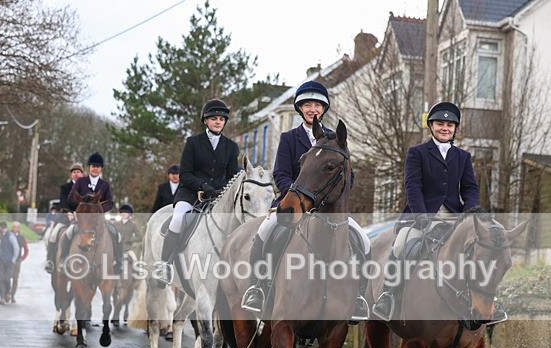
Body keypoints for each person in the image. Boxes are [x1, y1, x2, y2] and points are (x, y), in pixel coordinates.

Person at [240, 81, 371, 322]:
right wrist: (300, 197)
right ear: (300, 108)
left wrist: (330, 198)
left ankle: (359, 298)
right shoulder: (290, 138)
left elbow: (348, 176)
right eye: (307, 105)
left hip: (329, 210)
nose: (313, 109)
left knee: (362, 239)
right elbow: (280, 172)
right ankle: (257, 287)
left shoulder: (336, 139)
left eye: (318, 105)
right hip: (295, 202)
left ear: (324, 109)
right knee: (265, 231)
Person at [372, 101, 480, 321]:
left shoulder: (463, 157)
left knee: (479, 250)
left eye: (450, 125)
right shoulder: (417, 153)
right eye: (440, 123)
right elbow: (412, 186)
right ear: (431, 126)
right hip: (420, 215)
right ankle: (388, 295)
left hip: (453, 217)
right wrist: (420, 213)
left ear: (455, 129)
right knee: (402, 245)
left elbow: (470, 188)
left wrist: (470, 211)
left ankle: (483, 302)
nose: (444, 128)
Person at [153, 99, 239, 286]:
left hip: (218, 198)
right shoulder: (193, 142)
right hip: (191, 195)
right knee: (177, 219)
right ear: (205, 121)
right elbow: (185, 174)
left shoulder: (231, 147)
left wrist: (222, 191)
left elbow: (233, 176)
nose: (218, 122)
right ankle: (164, 266)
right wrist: (202, 186)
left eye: (222, 119)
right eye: (214, 118)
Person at [63, 152, 124, 273]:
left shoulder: (105, 185)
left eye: (98, 166)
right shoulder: (81, 182)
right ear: (88, 167)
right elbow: (70, 199)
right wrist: (82, 209)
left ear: (101, 169)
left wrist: (99, 210)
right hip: (83, 220)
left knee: (116, 234)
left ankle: (118, 261)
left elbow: (110, 202)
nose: (95, 168)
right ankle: (63, 260)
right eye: (93, 166)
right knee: (68, 233)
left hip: (99, 219)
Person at [44, 162, 83, 273]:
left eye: (78, 172)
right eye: (74, 172)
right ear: (71, 175)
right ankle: (51, 260)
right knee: (53, 235)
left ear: (82, 174)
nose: (76, 174)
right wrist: (70, 212)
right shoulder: (65, 188)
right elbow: (63, 202)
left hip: (83, 219)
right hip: (66, 217)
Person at [0, 221, 20, 305]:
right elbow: (0, 248)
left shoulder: (10, 236)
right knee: (0, 279)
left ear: (2, 227)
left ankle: (8, 293)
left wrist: (13, 260)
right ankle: (2, 297)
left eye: (0, 228)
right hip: (1, 261)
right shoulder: (2, 236)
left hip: (9, 261)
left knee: (7, 278)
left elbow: (16, 248)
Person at [10, 221, 29, 303]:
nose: (15, 228)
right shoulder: (8, 235)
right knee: (6, 278)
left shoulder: (22, 237)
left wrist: (22, 258)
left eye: (17, 227)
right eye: (14, 227)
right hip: (8, 261)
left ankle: (12, 295)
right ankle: (6, 294)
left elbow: (26, 249)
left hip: (17, 261)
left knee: (15, 278)